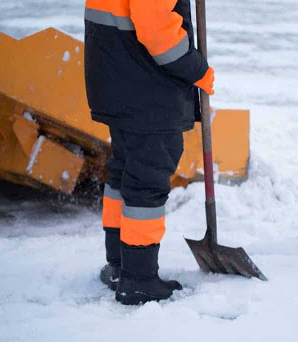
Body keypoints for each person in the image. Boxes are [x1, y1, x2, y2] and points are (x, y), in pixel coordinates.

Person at [84, 0, 214, 304]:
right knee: (147, 178)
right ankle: (139, 279)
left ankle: (119, 266)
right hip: (144, 83)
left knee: (125, 169)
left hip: (117, 72)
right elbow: (156, 27)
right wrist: (197, 69)